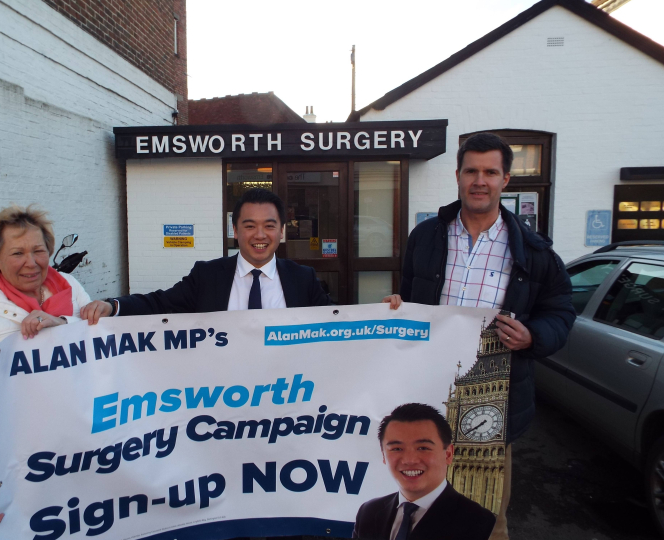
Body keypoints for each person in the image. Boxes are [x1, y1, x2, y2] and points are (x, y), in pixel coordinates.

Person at [383, 132, 575, 538]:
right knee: (417, 503)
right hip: (429, 390)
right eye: (471, 171)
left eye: (490, 172)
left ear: (506, 180)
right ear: (457, 175)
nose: (479, 181)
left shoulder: (534, 251)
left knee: (485, 516)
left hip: (492, 398)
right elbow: (413, 300)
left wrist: (532, 336)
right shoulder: (427, 237)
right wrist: (398, 308)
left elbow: (559, 312)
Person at [0, 205, 107, 531]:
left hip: (85, 448)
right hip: (27, 467)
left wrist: (64, 322)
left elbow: (96, 350)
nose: (31, 262)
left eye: (38, 251)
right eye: (17, 252)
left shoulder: (70, 288)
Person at [81, 188, 340, 321]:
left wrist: (381, 314)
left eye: (269, 226)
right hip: (224, 400)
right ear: (235, 231)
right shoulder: (207, 276)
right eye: (249, 226)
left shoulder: (302, 278)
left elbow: (340, 323)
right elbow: (158, 303)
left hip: (286, 397)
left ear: (281, 231)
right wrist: (113, 306)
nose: (260, 235)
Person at [353, 403, 495, 540]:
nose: (409, 460)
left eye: (423, 448)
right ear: (384, 455)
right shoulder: (368, 513)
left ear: (448, 454)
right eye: (396, 449)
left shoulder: (481, 523)